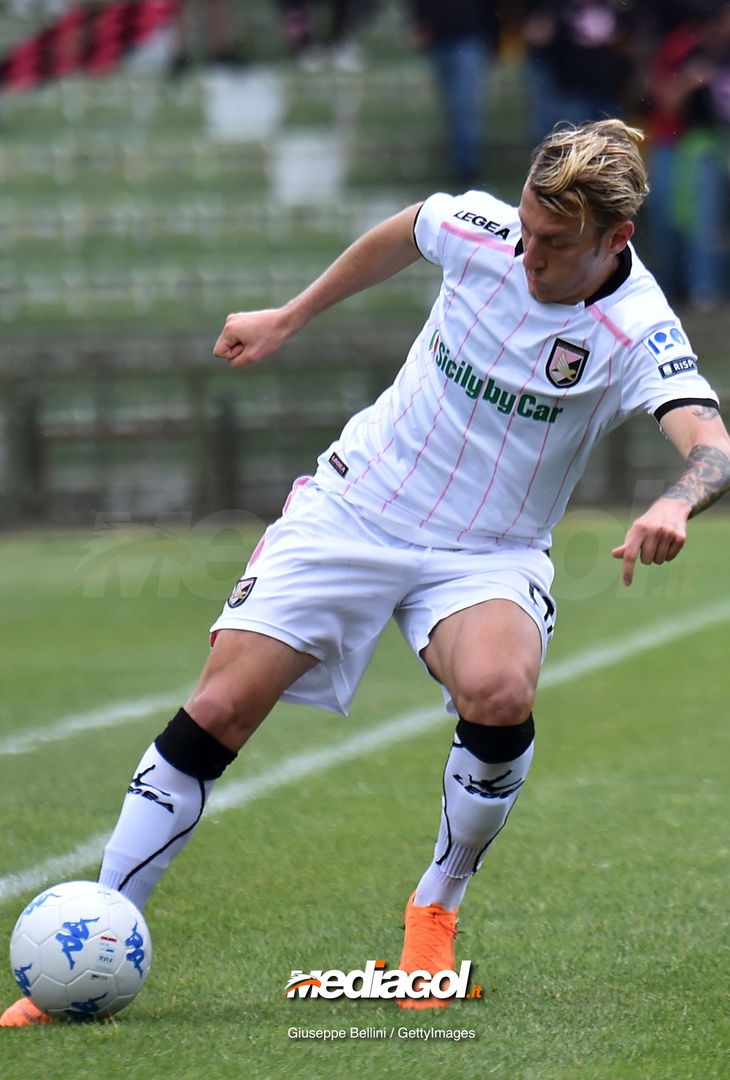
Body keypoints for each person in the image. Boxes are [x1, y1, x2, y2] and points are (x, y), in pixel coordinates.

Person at [4, 118, 730, 1026]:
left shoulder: (637, 327)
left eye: (554, 243)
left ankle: (436, 908)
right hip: (354, 506)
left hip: (486, 550)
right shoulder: (483, 229)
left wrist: (676, 503)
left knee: (499, 691)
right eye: (526, 226)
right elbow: (409, 229)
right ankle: (99, 931)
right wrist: (288, 316)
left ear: (615, 238)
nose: (528, 253)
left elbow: (710, 441)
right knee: (220, 708)